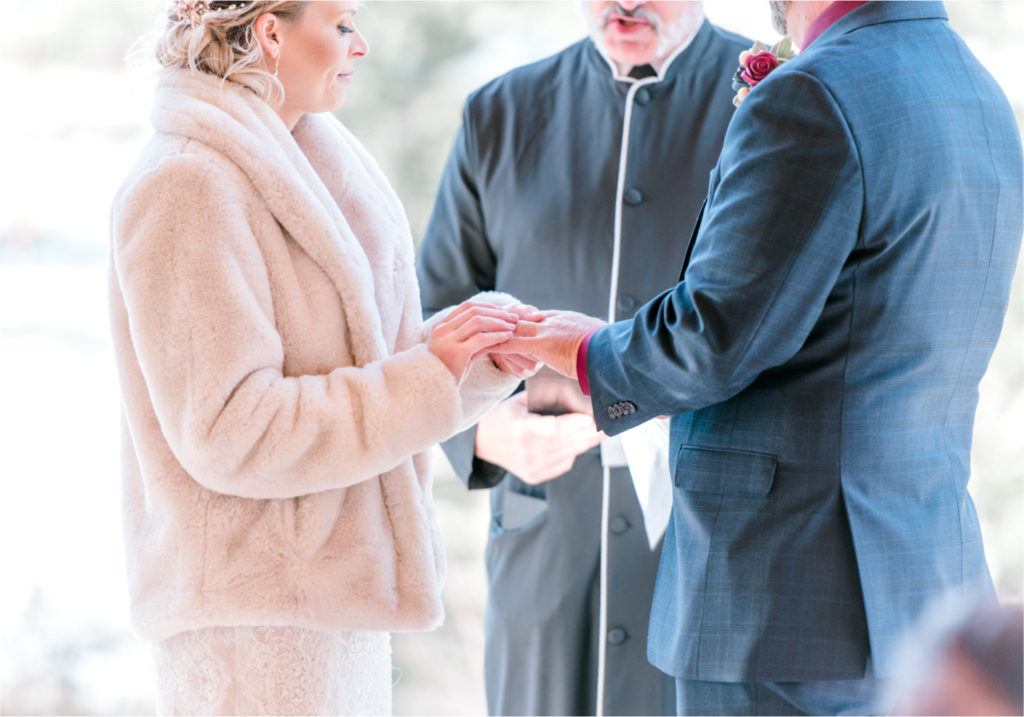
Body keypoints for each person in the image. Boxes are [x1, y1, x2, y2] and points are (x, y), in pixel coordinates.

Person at [493, 1, 1024, 715]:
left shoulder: (815, 93)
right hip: (923, 585)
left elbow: (717, 336)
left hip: (781, 604)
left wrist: (582, 350)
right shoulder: (975, 89)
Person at [108, 2, 535, 714]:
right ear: (271, 32)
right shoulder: (185, 183)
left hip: (329, 613)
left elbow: (363, 372)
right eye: (342, 24)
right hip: (249, 630)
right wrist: (427, 375)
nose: (360, 46)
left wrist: (467, 364)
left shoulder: (309, 163)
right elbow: (231, 430)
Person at [416, 2, 748, 714]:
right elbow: (432, 322)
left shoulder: (772, 104)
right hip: (543, 546)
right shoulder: (498, 113)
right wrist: (485, 432)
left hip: (710, 549)